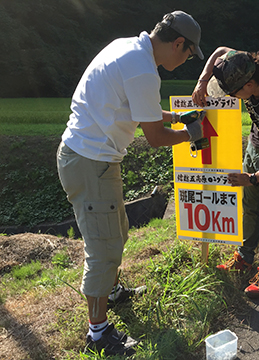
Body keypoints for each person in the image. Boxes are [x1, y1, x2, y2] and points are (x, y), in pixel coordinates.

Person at [56, 11, 204, 356]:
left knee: (116, 230)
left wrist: (176, 116)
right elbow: (154, 137)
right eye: (187, 54)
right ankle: (98, 333)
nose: (184, 61)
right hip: (91, 162)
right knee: (104, 246)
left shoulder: (128, 48)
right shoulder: (142, 69)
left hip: (91, 158)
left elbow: (141, 109)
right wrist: (190, 133)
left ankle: (112, 292)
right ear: (178, 43)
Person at [192, 48, 259, 298]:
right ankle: (244, 257)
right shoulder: (242, 63)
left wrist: (251, 178)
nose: (233, 97)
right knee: (249, 206)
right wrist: (203, 80)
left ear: (250, 85)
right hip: (254, 145)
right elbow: (220, 50)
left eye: (235, 93)